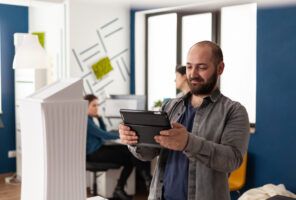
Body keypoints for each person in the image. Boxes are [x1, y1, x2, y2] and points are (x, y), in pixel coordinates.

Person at [118, 41, 250, 200]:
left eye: (202, 67)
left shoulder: (234, 111)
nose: (193, 74)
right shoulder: (170, 106)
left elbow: (232, 160)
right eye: (189, 67)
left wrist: (188, 142)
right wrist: (134, 139)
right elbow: (148, 154)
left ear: (220, 68)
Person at [84, 94, 151, 200]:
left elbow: (103, 131)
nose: (97, 108)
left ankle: (121, 189)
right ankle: (145, 179)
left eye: (97, 105)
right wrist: (124, 134)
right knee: (131, 155)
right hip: (94, 153)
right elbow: (104, 135)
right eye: (94, 106)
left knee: (131, 154)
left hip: (99, 149)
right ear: (85, 107)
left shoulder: (90, 119)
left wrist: (100, 119)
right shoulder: (86, 120)